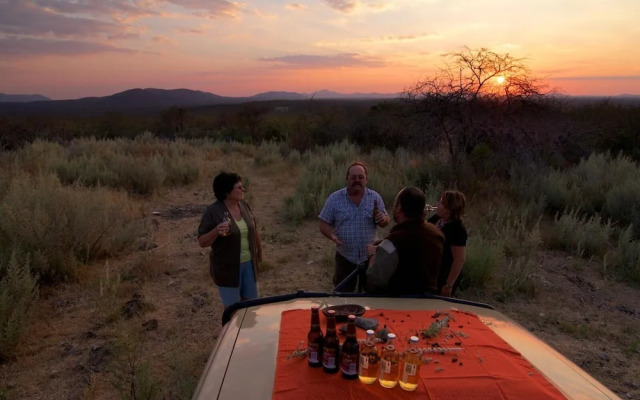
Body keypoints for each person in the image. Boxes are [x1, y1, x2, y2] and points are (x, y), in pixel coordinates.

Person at [318, 161, 390, 292]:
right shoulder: (335, 198)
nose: (357, 180)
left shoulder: (375, 197)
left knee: (372, 295)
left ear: (366, 179)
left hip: (369, 258)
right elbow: (323, 222)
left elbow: (385, 220)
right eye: (353, 177)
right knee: (342, 296)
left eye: (361, 177)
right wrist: (331, 235)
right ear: (347, 179)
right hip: (345, 257)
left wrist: (383, 219)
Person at [198, 172, 263, 308]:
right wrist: (216, 231)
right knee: (234, 312)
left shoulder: (244, 205)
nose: (242, 190)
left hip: (249, 266)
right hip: (228, 269)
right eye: (238, 188)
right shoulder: (213, 211)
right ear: (227, 192)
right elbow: (202, 242)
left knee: (252, 308)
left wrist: (259, 251)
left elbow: (253, 228)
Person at [365, 186, 444, 295]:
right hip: (429, 304)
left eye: (396, 204)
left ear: (399, 208)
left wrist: (373, 254)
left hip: (399, 305)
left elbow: (375, 280)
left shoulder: (393, 242)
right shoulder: (436, 233)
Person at [427, 190, 468, 297]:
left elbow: (459, 259)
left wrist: (448, 285)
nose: (437, 205)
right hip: (430, 272)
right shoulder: (436, 219)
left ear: (449, 209)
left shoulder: (457, 229)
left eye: (441, 203)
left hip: (443, 275)